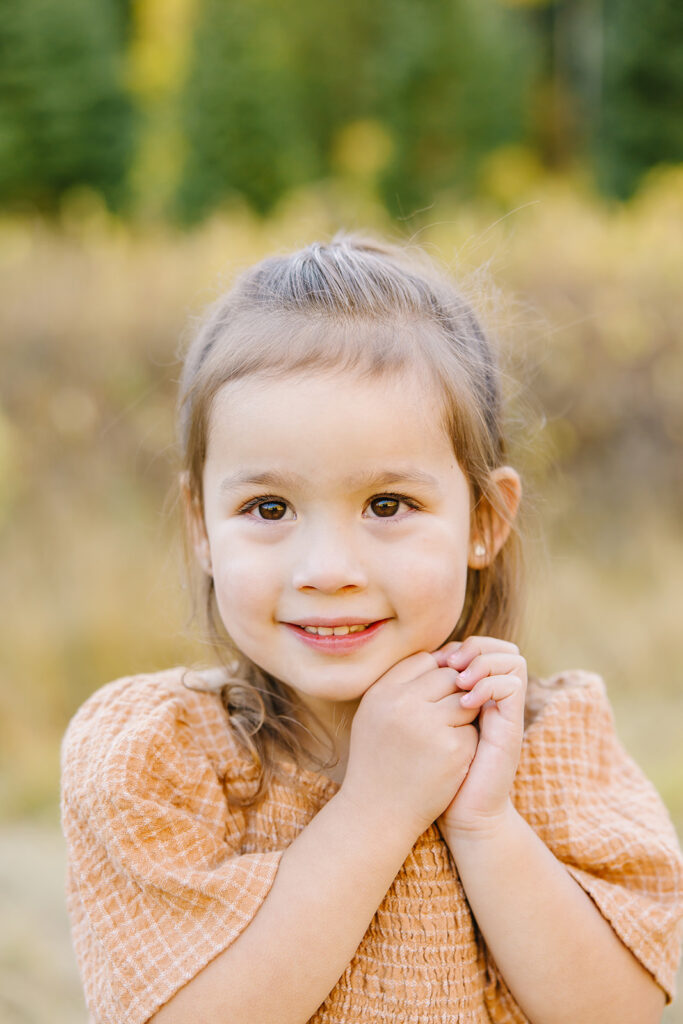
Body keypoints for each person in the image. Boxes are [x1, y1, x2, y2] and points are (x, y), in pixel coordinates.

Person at [61, 234, 683, 1024]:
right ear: (201, 526)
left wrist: (484, 823)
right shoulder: (157, 757)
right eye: (269, 508)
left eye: (387, 505)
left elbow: (618, 1012)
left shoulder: (550, 745)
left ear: (483, 522)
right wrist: (377, 809)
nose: (327, 568)